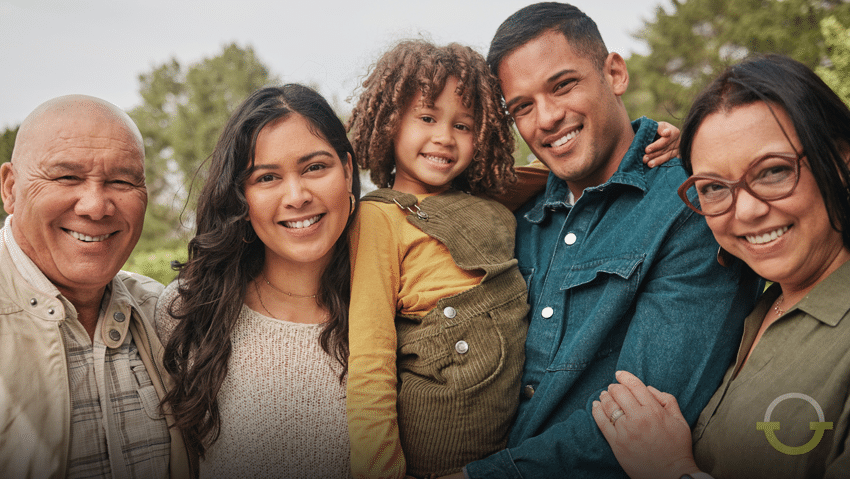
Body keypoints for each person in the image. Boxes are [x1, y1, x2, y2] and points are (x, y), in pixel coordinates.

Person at [344, 39, 680, 479]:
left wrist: (662, 139)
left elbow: (581, 162)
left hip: (505, 448)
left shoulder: (497, 198)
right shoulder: (380, 217)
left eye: (464, 126)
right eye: (426, 118)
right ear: (390, 123)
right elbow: (370, 362)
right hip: (432, 450)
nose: (444, 137)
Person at [457, 3, 762, 478]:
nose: (548, 118)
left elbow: (643, 417)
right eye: (522, 106)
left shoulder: (692, 204)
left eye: (563, 85)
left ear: (614, 72)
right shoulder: (517, 218)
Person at [593, 54, 850, 479]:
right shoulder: (759, 308)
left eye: (772, 171)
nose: (745, 211)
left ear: (840, 161)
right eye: (713, 186)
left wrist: (671, 470)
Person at [155, 84, 360, 478]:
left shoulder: (396, 304)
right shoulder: (190, 313)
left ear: (348, 170)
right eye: (267, 177)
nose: (297, 196)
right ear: (240, 196)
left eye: (315, 167)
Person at [0, 95, 190, 478]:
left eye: (121, 181)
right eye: (67, 177)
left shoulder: (166, 315)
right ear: (10, 188)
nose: (95, 206)